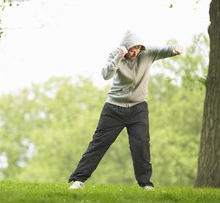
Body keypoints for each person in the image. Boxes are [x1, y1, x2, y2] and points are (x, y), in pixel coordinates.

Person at [68, 30, 183, 190]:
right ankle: (78, 180)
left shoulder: (147, 53)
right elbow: (106, 75)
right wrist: (119, 57)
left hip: (138, 109)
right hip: (114, 108)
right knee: (99, 143)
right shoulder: (117, 55)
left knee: (141, 144)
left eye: (137, 48)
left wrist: (175, 49)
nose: (134, 52)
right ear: (124, 48)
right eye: (131, 49)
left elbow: (165, 50)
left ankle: (146, 184)